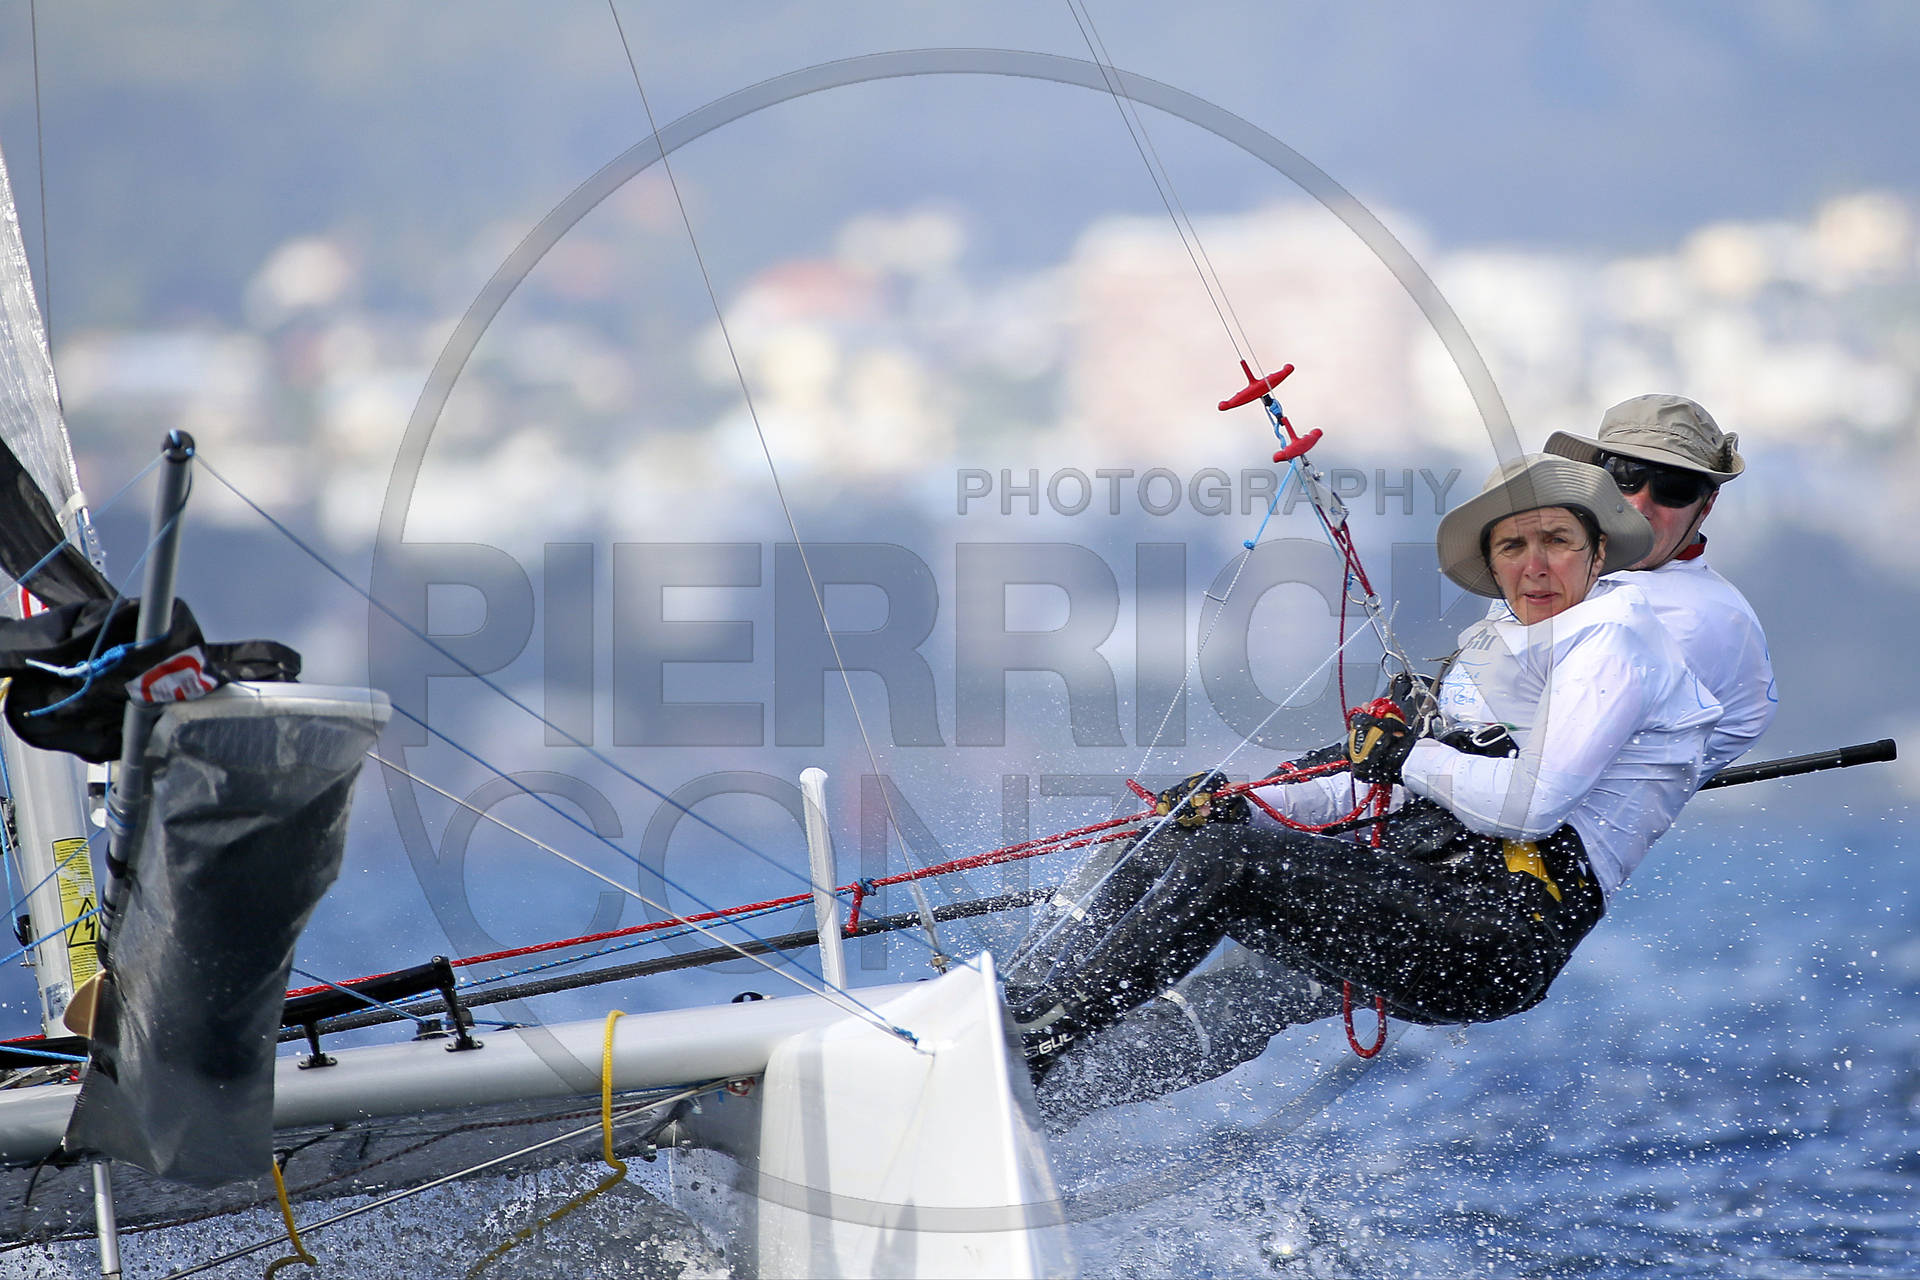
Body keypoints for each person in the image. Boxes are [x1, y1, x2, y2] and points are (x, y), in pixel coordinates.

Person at [1007, 454, 1723, 1110]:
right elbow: (1365, 789)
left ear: (1599, 552)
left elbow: (1530, 806)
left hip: (1501, 937)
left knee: (1226, 864)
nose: (1535, 566)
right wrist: (1243, 804)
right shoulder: (1495, 652)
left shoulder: (1616, 638)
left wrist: (1407, 756)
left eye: (1557, 542)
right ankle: (1024, 1009)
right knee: (1176, 836)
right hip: (1423, 898)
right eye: (1513, 547)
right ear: (1492, 565)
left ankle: (1044, 1035)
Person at [1544, 394, 1775, 779]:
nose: (1640, 505)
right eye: (1623, 474)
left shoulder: (1700, 617)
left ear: (1706, 505)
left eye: (1673, 486)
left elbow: (1552, 762)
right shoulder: (1559, 567)